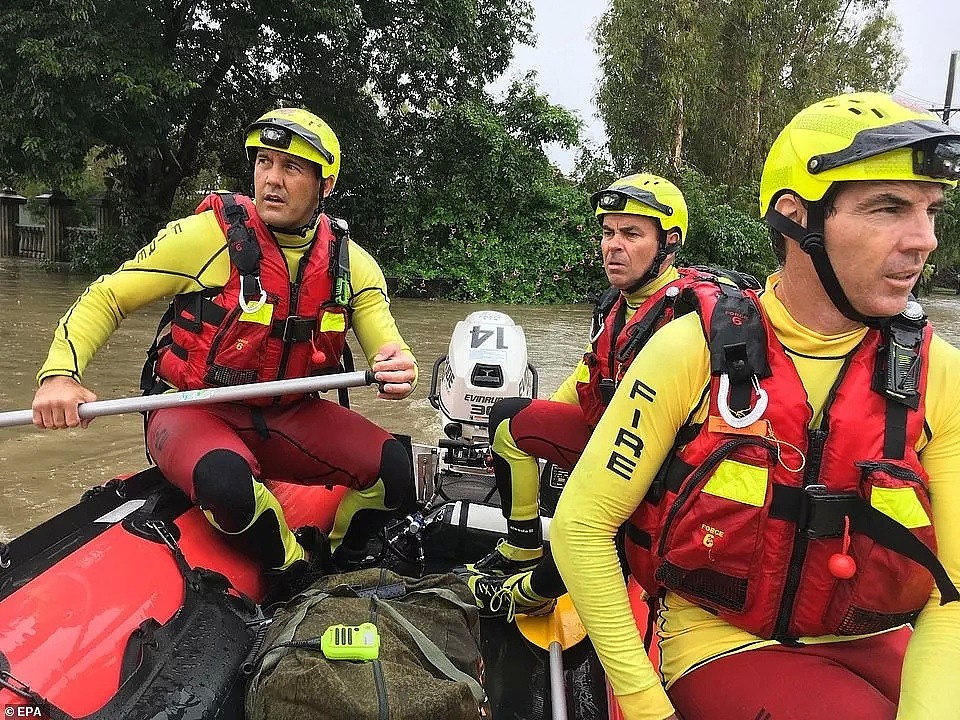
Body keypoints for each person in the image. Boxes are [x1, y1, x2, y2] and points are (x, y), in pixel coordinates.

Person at [550, 91, 960, 720]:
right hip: (721, 637)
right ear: (798, 217)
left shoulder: (941, 374)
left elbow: (954, 590)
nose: (924, 239)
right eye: (889, 208)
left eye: (931, 211)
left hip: (874, 632)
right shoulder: (689, 349)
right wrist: (645, 704)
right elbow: (581, 527)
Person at [32, 107, 418, 595]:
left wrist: (399, 366)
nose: (271, 180)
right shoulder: (207, 237)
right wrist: (59, 376)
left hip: (287, 415)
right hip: (192, 410)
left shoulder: (351, 264)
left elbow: (389, 343)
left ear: (326, 184)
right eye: (264, 163)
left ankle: (341, 561)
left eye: (291, 168)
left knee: (395, 470)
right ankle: (293, 568)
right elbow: (107, 297)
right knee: (226, 483)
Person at [459, 173, 753, 618]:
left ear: (668, 243)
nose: (613, 245)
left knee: (583, 527)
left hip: (659, 468)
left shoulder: (690, 314)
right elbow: (585, 379)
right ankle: (521, 547)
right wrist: (534, 428)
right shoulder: (615, 302)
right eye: (607, 232)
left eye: (631, 233)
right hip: (609, 438)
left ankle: (537, 592)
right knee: (506, 419)